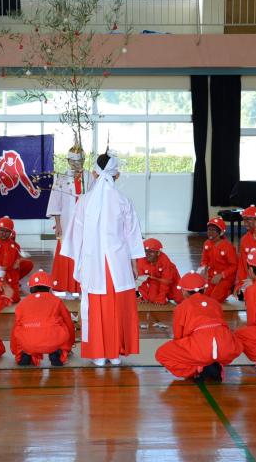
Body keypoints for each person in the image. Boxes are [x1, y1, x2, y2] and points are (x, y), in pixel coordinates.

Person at [61, 152, 145, 366]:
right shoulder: (123, 201)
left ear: (94, 173)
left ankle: (98, 352)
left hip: (93, 263)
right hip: (117, 264)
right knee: (117, 306)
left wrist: (77, 261)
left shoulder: (85, 201)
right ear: (115, 175)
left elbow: (75, 235)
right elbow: (133, 234)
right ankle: (114, 352)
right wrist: (135, 262)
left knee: (96, 306)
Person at [155, 272, 243, 382]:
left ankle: (197, 369)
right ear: (204, 290)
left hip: (200, 347)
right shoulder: (215, 303)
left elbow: (178, 337)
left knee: (162, 354)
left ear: (184, 291)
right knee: (231, 339)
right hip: (226, 347)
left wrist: (188, 356)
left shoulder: (182, 307)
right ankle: (214, 364)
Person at [46, 145, 94, 298]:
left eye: (79, 161)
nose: (75, 165)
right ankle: (66, 288)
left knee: (84, 253)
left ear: (84, 160)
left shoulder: (90, 178)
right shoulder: (61, 179)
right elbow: (55, 203)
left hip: (85, 224)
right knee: (66, 253)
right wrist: (58, 224)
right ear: (67, 161)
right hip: (67, 224)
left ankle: (83, 287)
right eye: (72, 161)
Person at [11, 270, 76, 366]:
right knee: (63, 323)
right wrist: (70, 344)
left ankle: (25, 353)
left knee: (20, 328)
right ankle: (57, 353)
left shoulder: (22, 303)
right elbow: (69, 323)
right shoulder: (57, 301)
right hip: (53, 341)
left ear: (31, 288)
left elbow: (14, 329)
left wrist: (16, 351)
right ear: (49, 288)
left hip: (28, 342)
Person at [0, 216, 34, 303]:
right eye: (1, 230)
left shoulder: (15, 245)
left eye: (7, 231)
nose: (4, 233)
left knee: (14, 299)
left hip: (11, 275)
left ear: (11, 232)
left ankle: (14, 284)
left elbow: (18, 258)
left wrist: (18, 261)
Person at [198, 217, 238, 304]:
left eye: (213, 230)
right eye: (209, 229)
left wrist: (221, 275)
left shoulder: (228, 247)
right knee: (203, 298)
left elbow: (234, 266)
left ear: (221, 232)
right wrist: (203, 271)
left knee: (213, 300)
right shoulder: (207, 243)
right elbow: (204, 260)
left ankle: (229, 290)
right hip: (212, 276)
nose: (210, 232)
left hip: (226, 278)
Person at [136, 238, 182, 305]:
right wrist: (143, 298)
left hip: (172, 281)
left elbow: (166, 282)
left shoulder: (165, 261)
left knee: (180, 299)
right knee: (152, 299)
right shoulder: (141, 261)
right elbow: (141, 282)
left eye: (151, 252)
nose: (147, 254)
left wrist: (161, 298)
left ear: (158, 252)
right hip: (154, 281)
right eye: (145, 251)